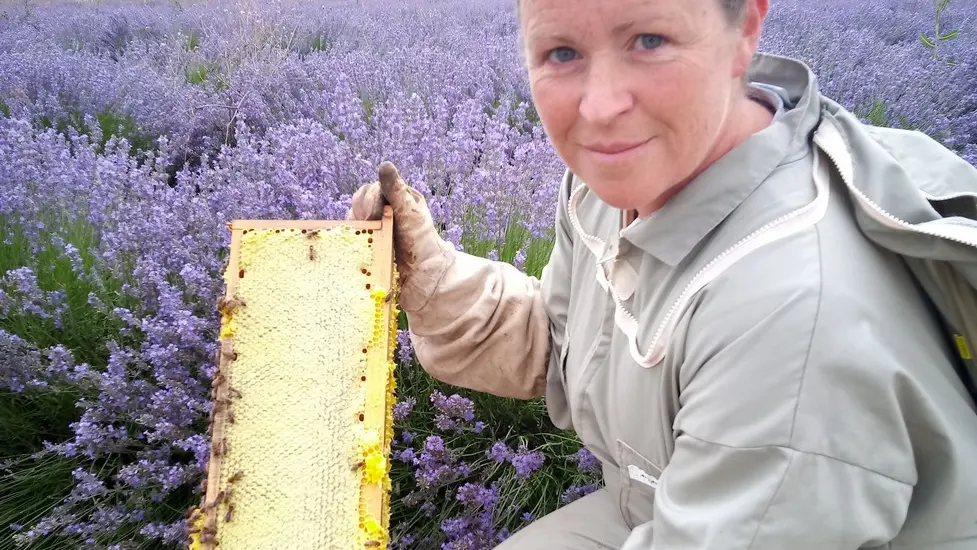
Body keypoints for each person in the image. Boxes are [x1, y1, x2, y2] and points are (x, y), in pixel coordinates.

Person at [348, 0, 977, 547]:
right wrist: (431, 275)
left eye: (649, 41)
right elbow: (567, 344)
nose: (599, 106)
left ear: (746, 29)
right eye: (561, 51)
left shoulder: (794, 320)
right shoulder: (618, 182)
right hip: (655, 498)